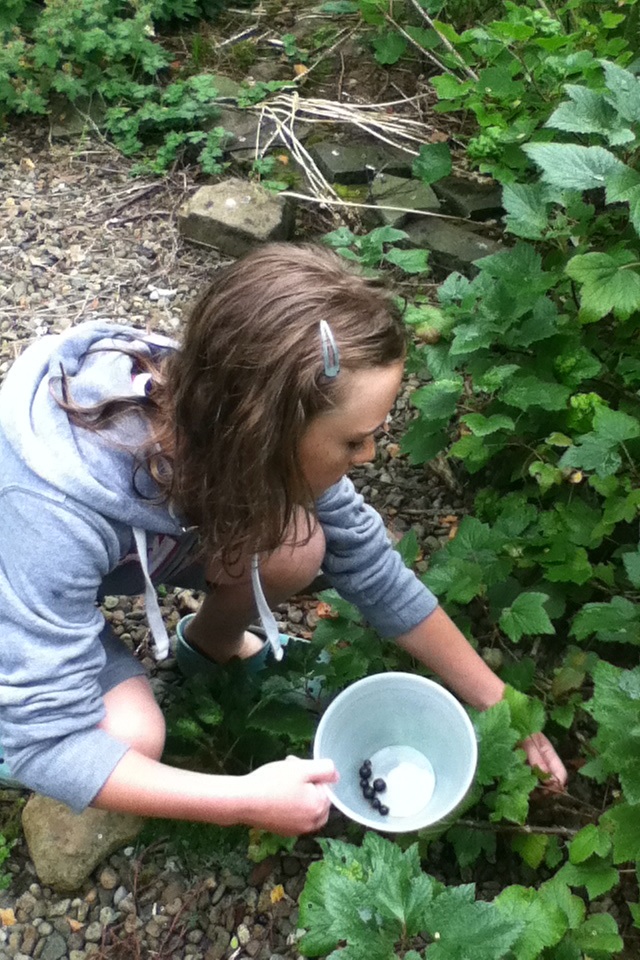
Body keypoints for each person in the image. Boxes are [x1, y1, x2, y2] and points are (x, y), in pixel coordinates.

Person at [0, 243, 566, 837]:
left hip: (74, 569)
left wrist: (500, 703)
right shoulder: (47, 510)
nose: (369, 457)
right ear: (265, 433)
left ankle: (207, 647)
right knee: (132, 737)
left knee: (296, 544)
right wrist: (242, 798)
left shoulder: (226, 417)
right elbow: (51, 743)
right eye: (353, 442)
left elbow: (371, 567)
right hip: (17, 584)